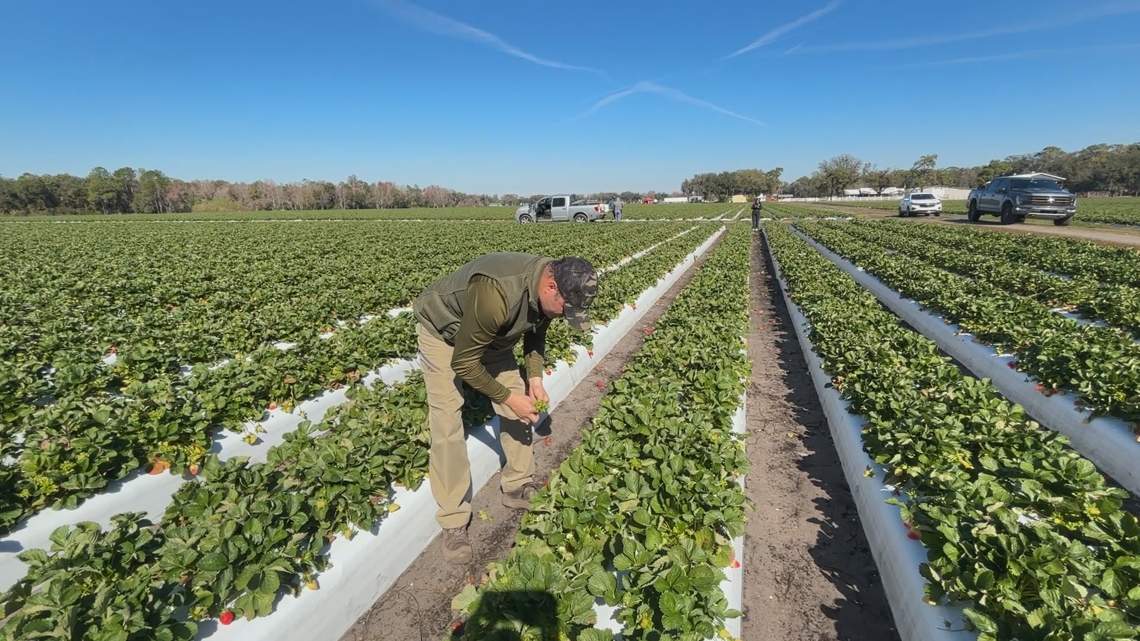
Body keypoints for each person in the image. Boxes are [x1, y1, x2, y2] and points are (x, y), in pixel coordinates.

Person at [411, 254, 598, 564]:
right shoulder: (496, 293)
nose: (566, 316)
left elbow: (537, 331)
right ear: (550, 287)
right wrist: (510, 398)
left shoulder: (551, 282)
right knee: (447, 417)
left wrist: (534, 378)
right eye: (566, 309)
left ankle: (517, 485)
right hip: (444, 332)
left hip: (494, 336)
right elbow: (464, 362)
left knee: (517, 399)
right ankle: (454, 519)